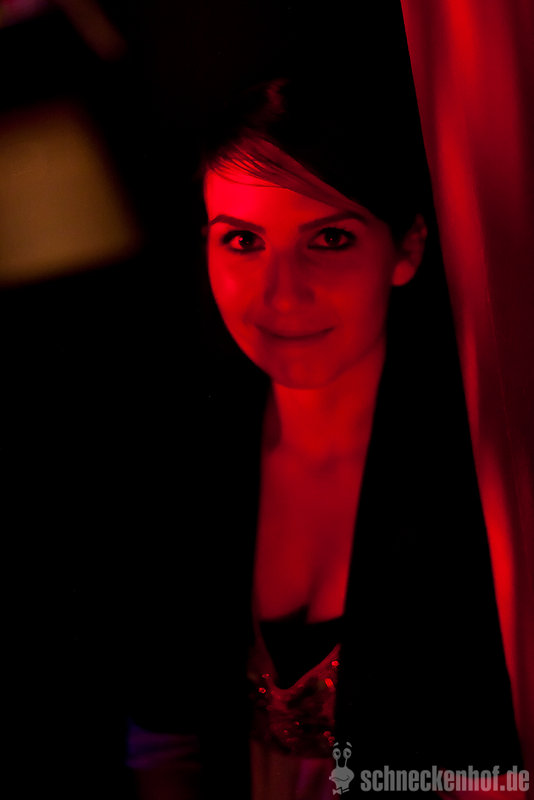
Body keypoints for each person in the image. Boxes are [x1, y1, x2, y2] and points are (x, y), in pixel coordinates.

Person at [125, 75, 524, 799]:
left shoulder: (475, 480)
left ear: (407, 248)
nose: (281, 292)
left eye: (329, 239)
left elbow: (489, 774)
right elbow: (163, 733)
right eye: (244, 241)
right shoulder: (183, 462)